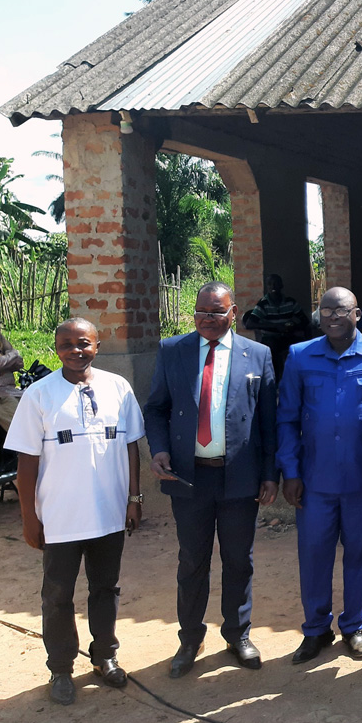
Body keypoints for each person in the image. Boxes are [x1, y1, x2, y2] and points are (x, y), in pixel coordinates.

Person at [5, 319, 144, 705]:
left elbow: (131, 447)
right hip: (60, 517)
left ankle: (105, 657)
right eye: (65, 344)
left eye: (83, 343)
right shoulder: (39, 395)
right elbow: (27, 463)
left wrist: (134, 500)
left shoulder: (118, 388)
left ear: (97, 345)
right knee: (57, 594)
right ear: (56, 349)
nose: (75, 350)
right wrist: (30, 518)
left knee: (105, 589)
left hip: (108, 514)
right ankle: (61, 669)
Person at [145, 281, 279, 679]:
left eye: (216, 312)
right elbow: (155, 408)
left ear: (233, 313)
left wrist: (270, 474)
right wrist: (159, 449)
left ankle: (238, 634)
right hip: (188, 479)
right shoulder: (173, 351)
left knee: (239, 560)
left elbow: (269, 422)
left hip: (239, 478)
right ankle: (190, 638)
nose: (207, 319)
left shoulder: (258, 355)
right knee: (192, 561)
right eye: (201, 312)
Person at [278, 287, 362, 664]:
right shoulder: (300, 356)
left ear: (357, 314)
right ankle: (315, 630)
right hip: (315, 481)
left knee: (360, 554)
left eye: (340, 311)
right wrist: (290, 471)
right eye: (325, 310)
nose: (331, 317)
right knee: (313, 556)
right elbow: (288, 418)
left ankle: (354, 626)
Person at [241, 273, 310, 379]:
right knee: (272, 352)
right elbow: (250, 324)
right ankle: (274, 380)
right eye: (269, 284)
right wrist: (274, 326)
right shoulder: (263, 304)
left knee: (300, 349)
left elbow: (305, 320)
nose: (273, 287)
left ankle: (297, 378)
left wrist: (292, 326)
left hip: (288, 336)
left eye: (275, 284)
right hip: (270, 338)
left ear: (281, 286)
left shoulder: (290, 302)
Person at [0, 293, 24, 432]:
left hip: (7, 390)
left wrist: (4, 359)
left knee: (38, 410)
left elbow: (19, 362)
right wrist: (12, 356)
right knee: (23, 430)